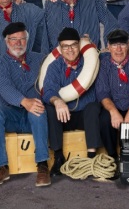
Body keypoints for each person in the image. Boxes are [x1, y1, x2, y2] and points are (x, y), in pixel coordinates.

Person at [0, 22, 51, 188]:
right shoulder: (0, 63)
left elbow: (56, 70)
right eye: (14, 39)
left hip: (34, 118)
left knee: (38, 107)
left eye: (22, 39)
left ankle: (43, 164)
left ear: (27, 41)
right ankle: (1, 166)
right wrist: (24, 101)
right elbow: (5, 88)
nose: (18, 43)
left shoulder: (40, 58)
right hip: (11, 116)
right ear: (7, 42)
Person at [41, 27, 102, 176]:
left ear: (79, 46)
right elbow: (48, 90)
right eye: (65, 46)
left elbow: (115, 55)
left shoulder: (91, 62)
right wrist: (58, 101)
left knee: (94, 107)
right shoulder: (54, 66)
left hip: (85, 116)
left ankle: (91, 158)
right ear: (60, 48)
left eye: (74, 45)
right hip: (64, 116)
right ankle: (58, 157)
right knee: (50, 107)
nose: (70, 49)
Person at [95, 29, 129, 160]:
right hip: (113, 104)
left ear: (128, 46)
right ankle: (112, 156)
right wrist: (113, 111)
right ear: (108, 47)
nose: (118, 49)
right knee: (104, 119)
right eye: (114, 45)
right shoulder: (102, 64)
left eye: (122, 45)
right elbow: (102, 93)